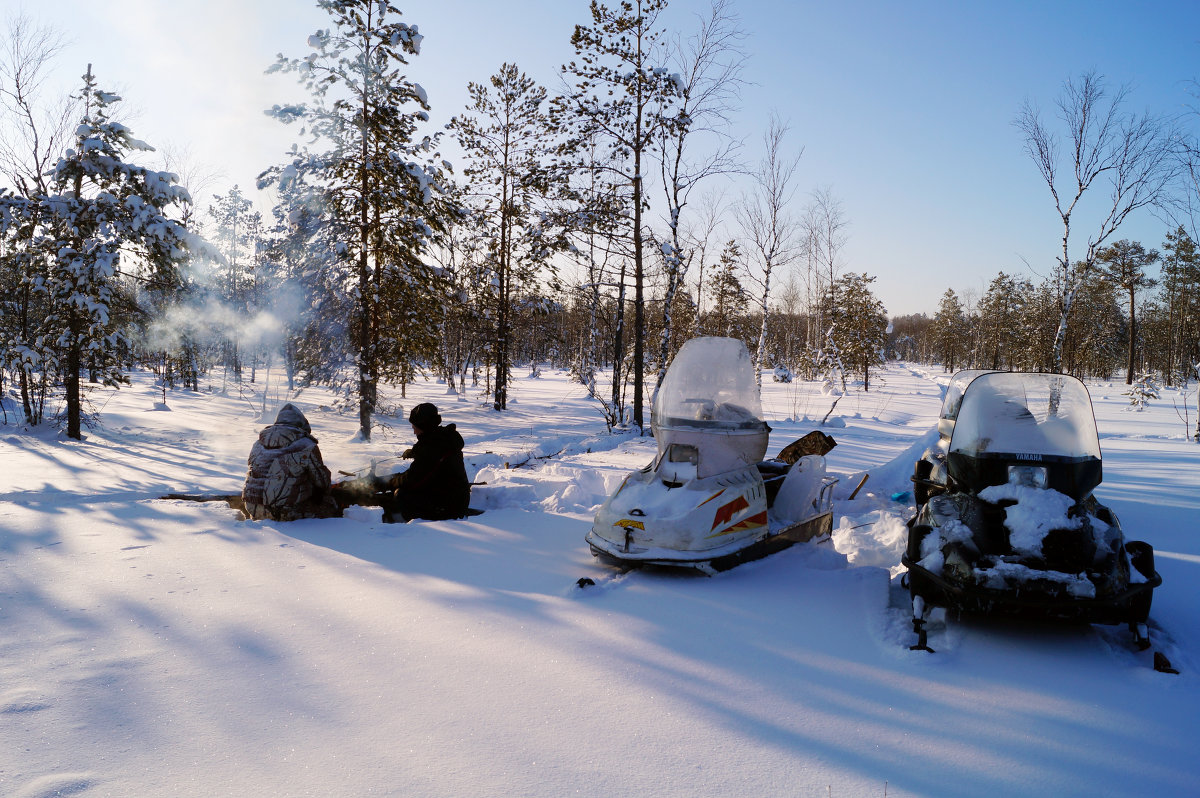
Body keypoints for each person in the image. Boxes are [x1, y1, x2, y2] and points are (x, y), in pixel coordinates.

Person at [242, 403, 340, 522]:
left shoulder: (258, 444)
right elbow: (322, 482)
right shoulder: (306, 445)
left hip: (252, 508)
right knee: (329, 504)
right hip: (284, 511)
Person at [387, 402, 470, 522]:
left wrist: (389, 482)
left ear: (424, 426)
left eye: (415, 428)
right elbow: (430, 448)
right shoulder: (443, 437)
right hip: (456, 498)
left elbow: (412, 480)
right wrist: (415, 452)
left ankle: (414, 528)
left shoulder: (432, 449)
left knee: (401, 495)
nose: (414, 432)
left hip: (449, 506)